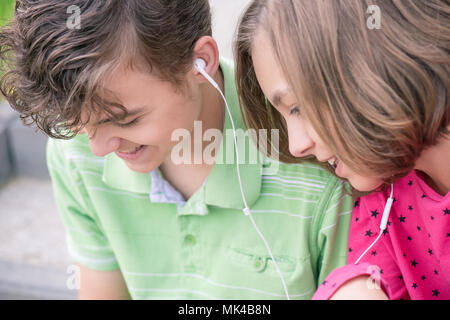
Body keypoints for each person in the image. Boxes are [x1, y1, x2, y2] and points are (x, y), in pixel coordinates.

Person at [0, 0, 353, 299]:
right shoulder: (74, 153)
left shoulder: (316, 161)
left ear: (200, 62)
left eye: (125, 120)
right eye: (77, 120)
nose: (97, 149)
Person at [235, 0, 449, 300]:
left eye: (296, 107)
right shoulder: (383, 195)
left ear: (368, 66)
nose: (297, 147)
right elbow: (366, 283)